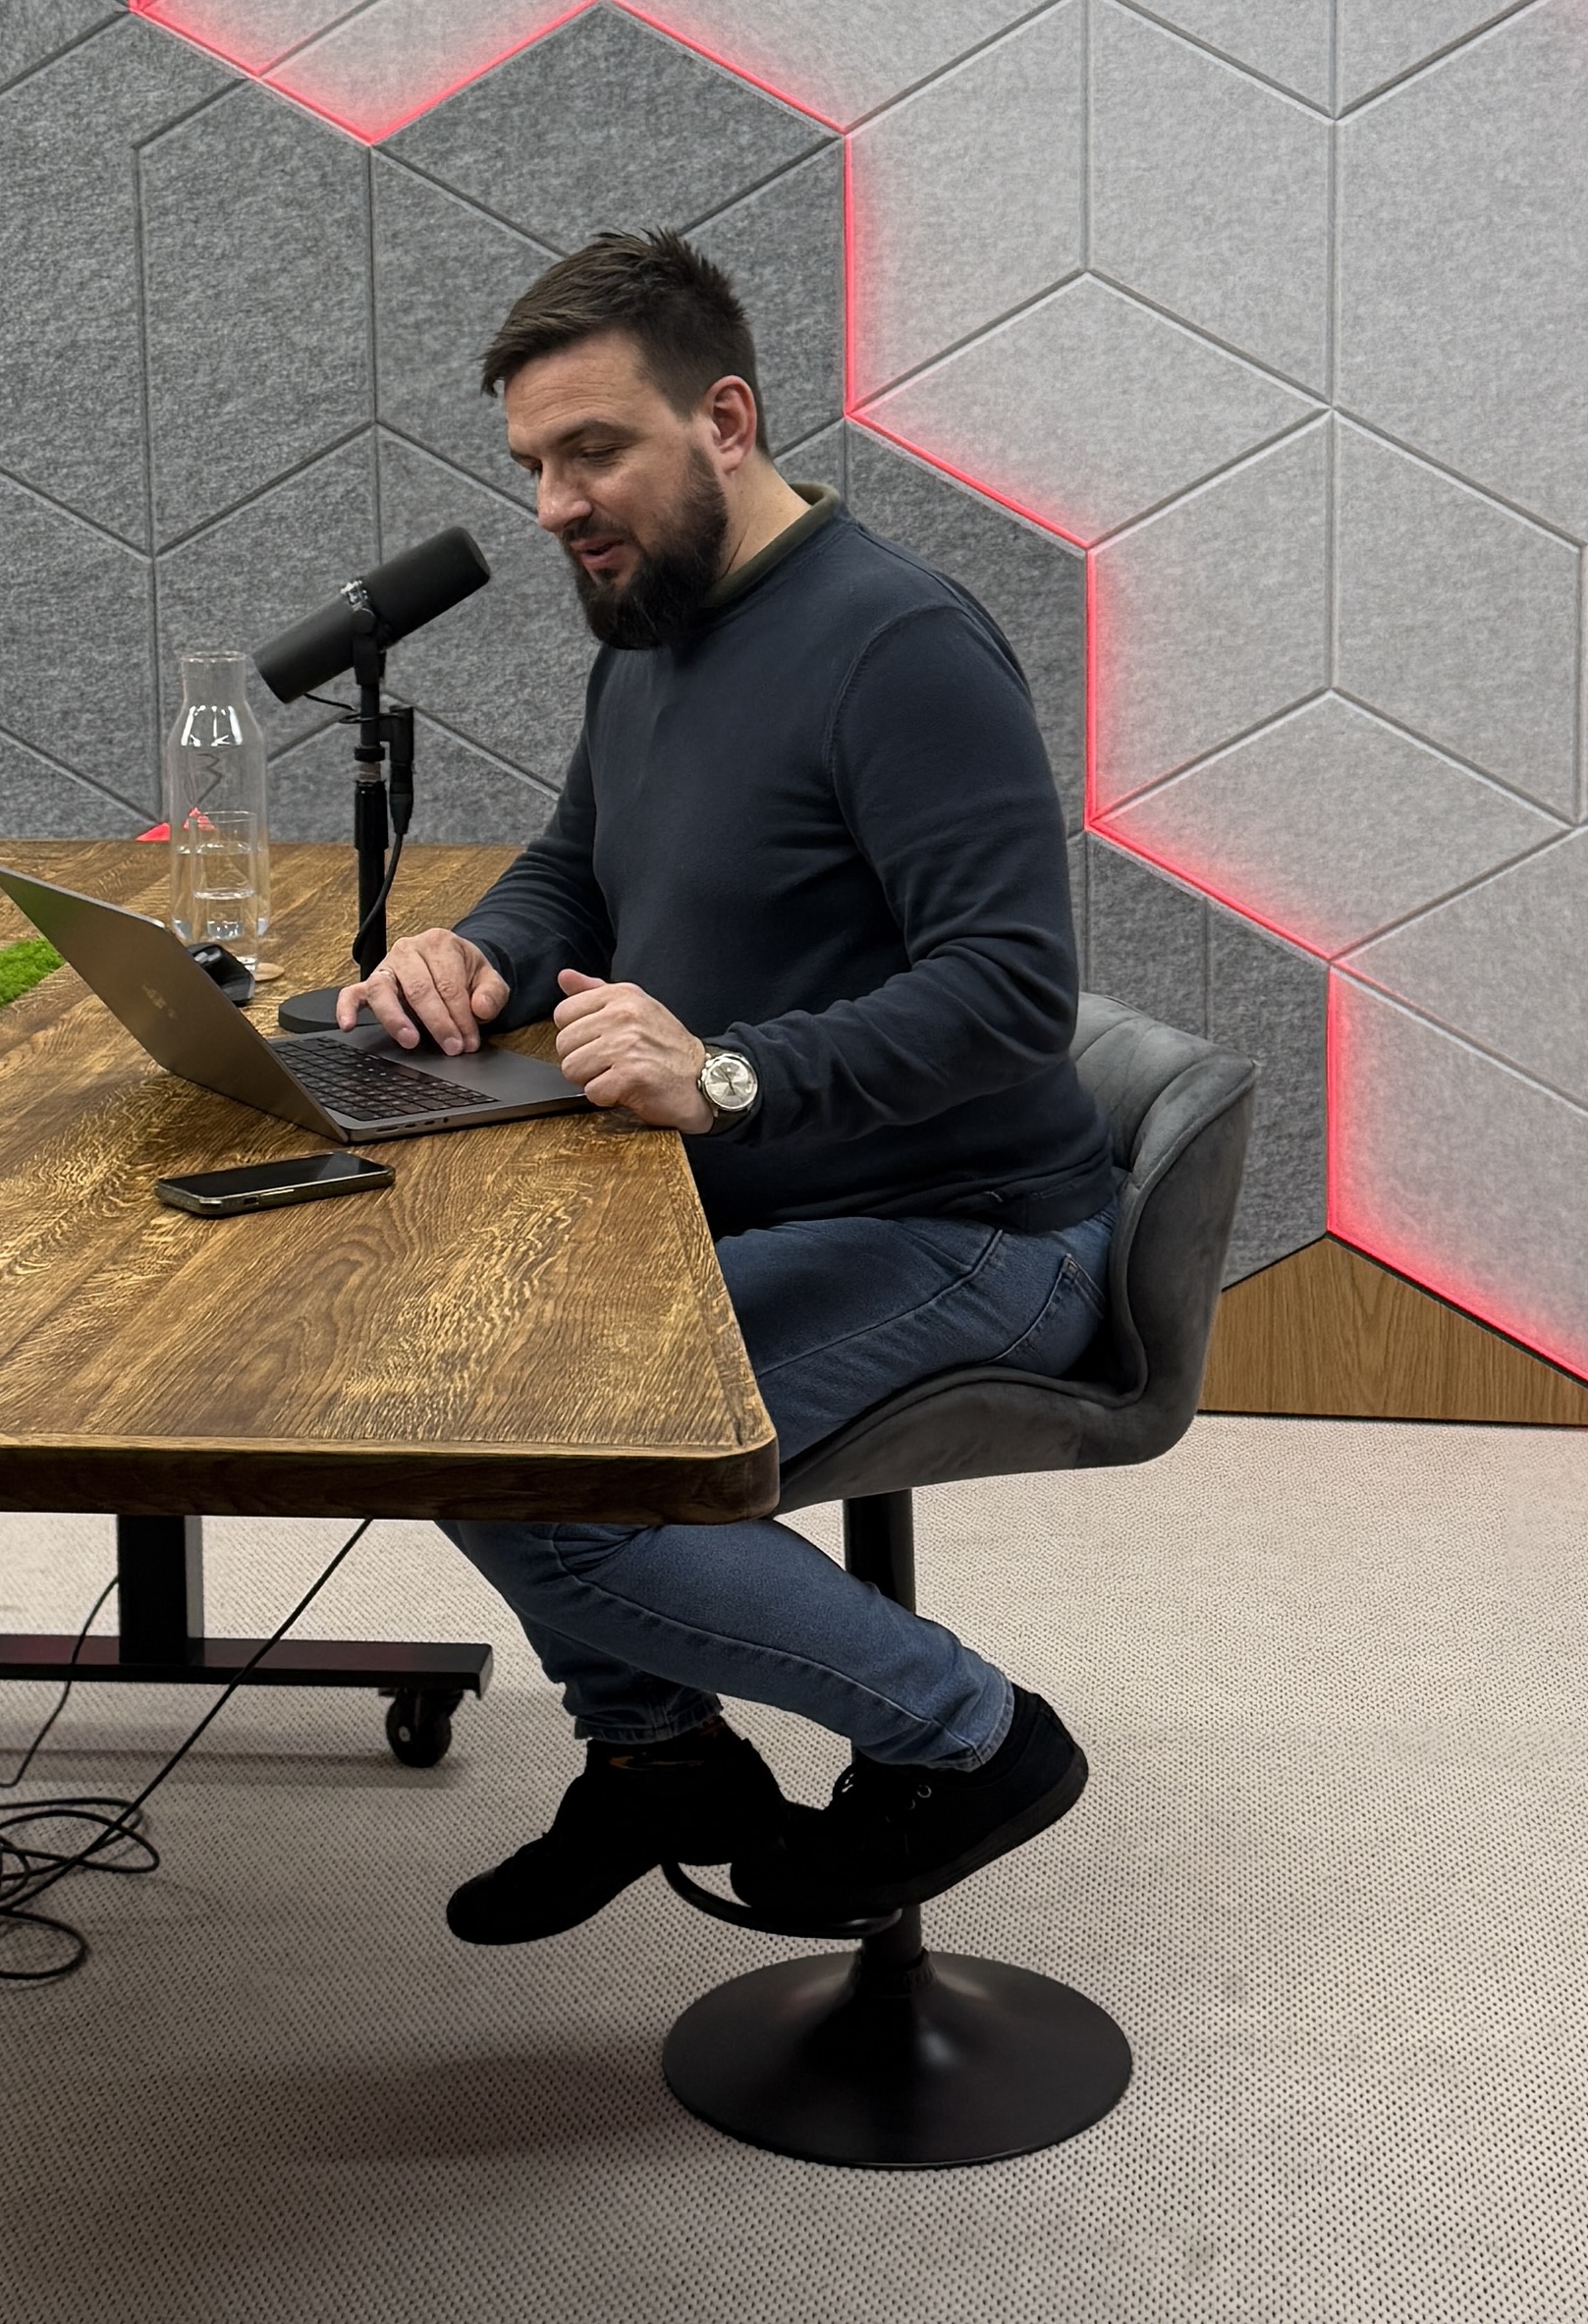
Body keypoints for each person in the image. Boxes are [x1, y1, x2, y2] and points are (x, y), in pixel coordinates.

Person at [336, 231, 1119, 1944]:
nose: (556, 504)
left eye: (592, 451)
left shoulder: (899, 641)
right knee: (445, 1388)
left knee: (550, 1462)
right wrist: (477, 954)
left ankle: (974, 1738)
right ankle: (658, 1757)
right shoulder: (650, 627)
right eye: (533, 465)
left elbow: (1012, 992)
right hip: (760, 1200)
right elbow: (576, 870)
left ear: (727, 420)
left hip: (972, 1229)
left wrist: (732, 1076)